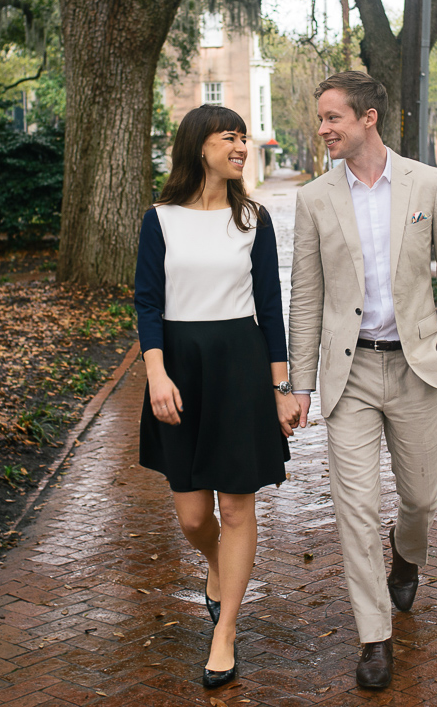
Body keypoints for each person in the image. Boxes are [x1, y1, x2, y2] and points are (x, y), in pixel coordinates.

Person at [288, 71, 437, 689]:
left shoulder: (429, 184)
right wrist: (300, 384)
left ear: (367, 118)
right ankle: (375, 638)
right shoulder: (314, 198)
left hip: (417, 366)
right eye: (321, 119)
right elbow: (306, 296)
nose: (323, 129)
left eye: (332, 118)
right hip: (352, 373)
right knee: (355, 508)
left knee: (420, 498)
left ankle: (407, 553)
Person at [134, 104, 301, 689]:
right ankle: (216, 566)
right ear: (198, 146)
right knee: (192, 515)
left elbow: (270, 307)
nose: (240, 146)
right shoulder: (160, 220)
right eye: (229, 136)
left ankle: (224, 630)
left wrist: (281, 387)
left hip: (238, 367)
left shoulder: (253, 218)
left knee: (236, 507)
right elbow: (148, 303)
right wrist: (156, 373)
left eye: (244, 138)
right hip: (178, 367)